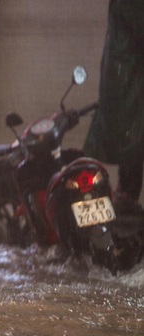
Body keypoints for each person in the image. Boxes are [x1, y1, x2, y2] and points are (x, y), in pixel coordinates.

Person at [84, 0, 144, 215]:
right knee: (131, 146)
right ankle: (124, 199)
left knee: (129, 148)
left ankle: (124, 197)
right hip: (128, 84)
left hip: (126, 81)